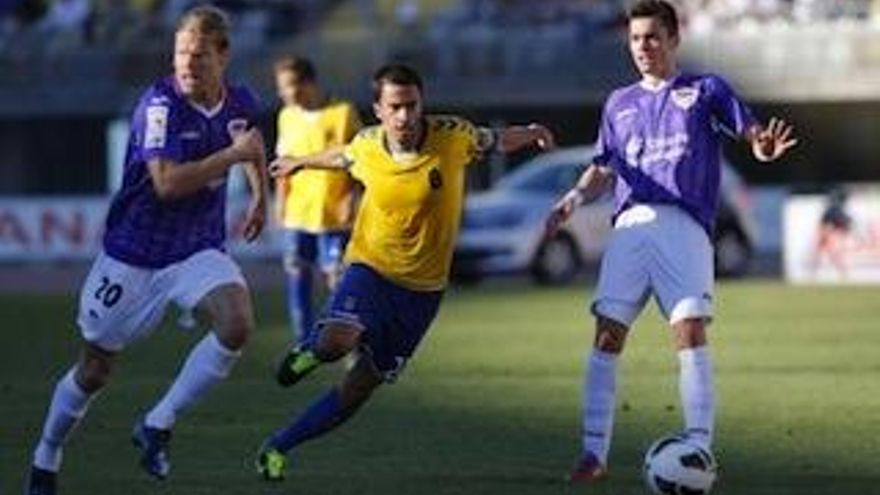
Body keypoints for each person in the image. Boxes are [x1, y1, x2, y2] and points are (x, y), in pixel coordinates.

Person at [254, 63, 555, 481]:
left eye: (411, 105)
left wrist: (533, 131)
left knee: (358, 389)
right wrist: (300, 162)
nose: (404, 116)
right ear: (379, 109)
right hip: (371, 268)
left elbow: (496, 139)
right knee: (337, 342)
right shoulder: (368, 144)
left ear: (421, 103)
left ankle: (277, 447)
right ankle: (310, 351)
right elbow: (342, 156)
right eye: (394, 107)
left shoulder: (453, 136)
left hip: (423, 292)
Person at [544, 0, 797, 482]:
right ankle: (593, 454)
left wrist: (762, 148)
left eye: (653, 37)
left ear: (674, 39)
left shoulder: (706, 89)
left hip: (684, 225)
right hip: (630, 227)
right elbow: (602, 168)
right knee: (606, 335)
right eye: (636, 38)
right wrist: (572, 200)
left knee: (689, 330)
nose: (643, 47)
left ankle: (699, 448)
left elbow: (752, 133)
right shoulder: (618, 103)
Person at [24, 6, 268, 494]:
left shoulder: (242, 101)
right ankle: (46, 456)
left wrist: (260, 196)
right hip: (133, 255)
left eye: (198, 55)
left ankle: (157, 422)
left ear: (223, 55)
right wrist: (231, 156)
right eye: (180, 53)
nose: (186, 64)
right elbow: (167, 184)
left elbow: (252, 144)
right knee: (95, 370)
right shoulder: (160, 105)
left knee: (237, 323)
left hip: (196, 248)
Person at [272, 55, 362, 346]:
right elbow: (283, 162)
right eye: (281, 87)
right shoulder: (286, 116)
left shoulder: (343, 112)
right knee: (297, 276)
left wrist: (352, 196)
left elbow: (358, 159)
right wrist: (280, 202)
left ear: (308, 83)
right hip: (297, 214)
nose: (284, 93)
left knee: (338, 281)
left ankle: (343, 342)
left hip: (333, 214)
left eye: (288, 85)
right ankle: (303, 344)